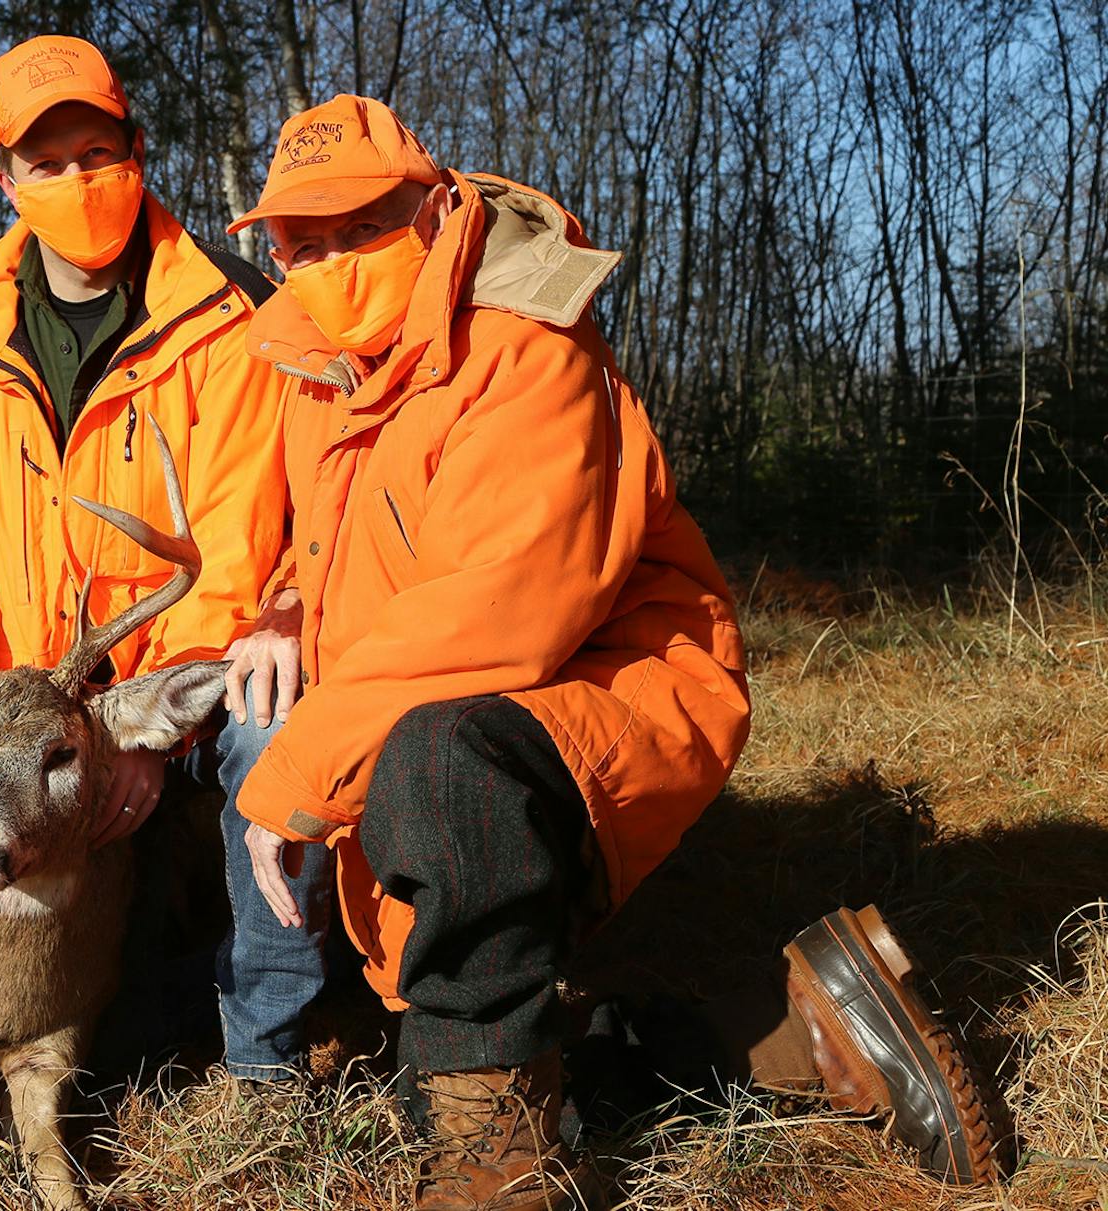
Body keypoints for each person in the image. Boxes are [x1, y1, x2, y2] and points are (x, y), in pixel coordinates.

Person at [228, 95, 1001, 1208]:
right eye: (303, 241)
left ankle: (504, 1174)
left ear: (434, 209)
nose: (329, 261)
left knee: (436, 758)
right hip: (448, 722)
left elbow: (503, 607)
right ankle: (804, 1030)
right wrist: (292, 607)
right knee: (441, 1068)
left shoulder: (523, 350)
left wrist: (295, 771)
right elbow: (340, 557)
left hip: (603, 690)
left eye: (362, 228)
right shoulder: (320, 381)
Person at [0, 35, 333, 1084]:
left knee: (273, 729)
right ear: (4, 181)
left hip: (182, 675)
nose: (79, 181)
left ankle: (269, 1055)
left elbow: (226, 546)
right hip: (22, 708)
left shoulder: (230, 317)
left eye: (99, 152)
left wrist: (132, 726)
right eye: (48, 164)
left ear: (137, 150)